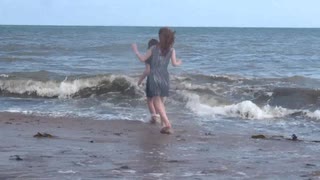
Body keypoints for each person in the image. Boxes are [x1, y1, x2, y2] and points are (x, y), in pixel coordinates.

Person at [132, 27, 182, 134]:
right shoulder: (172, 50)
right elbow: (174, 64)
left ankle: (167, 123)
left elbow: (143, 59)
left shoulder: (154, 48)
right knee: (161, 102)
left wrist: (136, 51)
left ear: (160, 37)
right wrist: (179, 62)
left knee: (156, 101)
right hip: (164, 76)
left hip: (154, 76)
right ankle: (164, 125)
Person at [138, 38, 161, 124]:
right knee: (157, 99)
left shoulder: (149, 57)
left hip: (152, 79)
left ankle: (154, 117)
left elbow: (147, 71)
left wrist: (140, 80)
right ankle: (158, 116)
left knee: (150, 100)